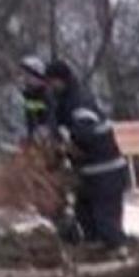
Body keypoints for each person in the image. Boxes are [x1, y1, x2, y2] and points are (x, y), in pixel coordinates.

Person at [43, 60, 128, 250]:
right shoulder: (61, 104)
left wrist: (65, 140)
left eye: (52, 82)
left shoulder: (79, 102)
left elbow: (85, 134)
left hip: (106, 173)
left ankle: (122, 260)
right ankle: (101, 266)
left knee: (106, 224)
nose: (50, 87)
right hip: (88, 175)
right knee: (86, 221)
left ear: (61, 80)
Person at [18, 56, 58, 144]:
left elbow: (52, 115)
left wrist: (46, 129)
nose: (25, 78)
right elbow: (30, 117)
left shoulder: (47, 93)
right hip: (35, 139)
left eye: (27, 75)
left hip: (49, 139)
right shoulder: (29, 94)